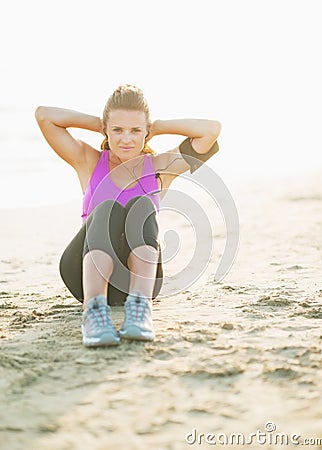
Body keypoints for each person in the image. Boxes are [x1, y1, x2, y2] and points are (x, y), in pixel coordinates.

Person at [35, 84, 221, 348]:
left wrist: (156, 125)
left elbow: (210, 131)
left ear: (146, 132)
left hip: (138, 282)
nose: (126, 139)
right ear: (106, 130)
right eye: (117, 130)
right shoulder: (89, 161)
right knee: (107, 210)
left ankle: (140, 310)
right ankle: (94, 311)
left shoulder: (159, 168)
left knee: (141, 206)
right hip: (85, 276)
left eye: (136, 130)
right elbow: (45, 116)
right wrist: (99, 123)